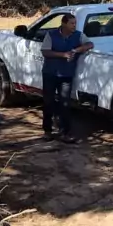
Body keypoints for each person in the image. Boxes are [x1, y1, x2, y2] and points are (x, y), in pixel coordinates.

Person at [40, 14, 94, 143]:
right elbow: (45, 51)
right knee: (48, 102)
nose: (74, 26)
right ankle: (47, 131)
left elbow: (90, 44)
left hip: (66, 75)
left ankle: (65, 132)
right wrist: (63, 55)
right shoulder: (51, 34)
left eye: (75, 23)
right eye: (72, 23)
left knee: (65, 104)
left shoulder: (78, 35)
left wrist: (76, 50)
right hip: (50, 73)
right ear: (64, 24)